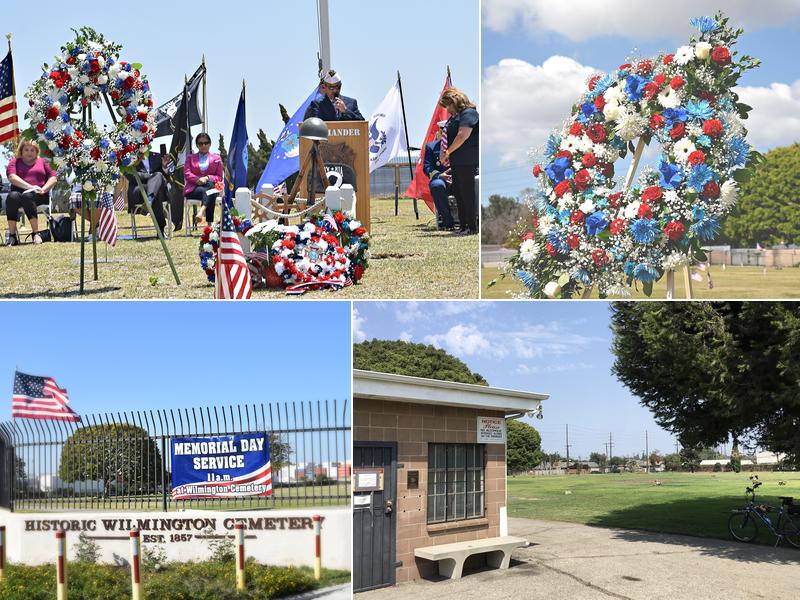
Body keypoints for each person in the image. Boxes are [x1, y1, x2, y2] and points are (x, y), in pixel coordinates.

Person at [439, 88, 479, 235]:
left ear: (455, 101)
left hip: (466, 160)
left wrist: (448, 151)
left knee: (467, 193)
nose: (448, 110)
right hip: (456, 161)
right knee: (459, 193)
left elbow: (462, 135)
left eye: (448, 105)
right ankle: (463, 226)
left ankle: (471, 226)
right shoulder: (455, 116)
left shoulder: (469, 113)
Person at [5, 139, 58, 246]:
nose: (29, 152)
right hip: (18, 194)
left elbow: (53, 178)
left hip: (39, 194)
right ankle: (12, 236)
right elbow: (11, 177)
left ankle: (36, 234)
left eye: (32, 150)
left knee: (28, 196)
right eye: (26, 150)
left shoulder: (44, 161)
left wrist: (43, 189)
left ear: (37, 151)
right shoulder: (14, 161)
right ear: (21, 151)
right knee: (12, 196)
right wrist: (29, 186)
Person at [126, 150, 171, 236]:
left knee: (158, 176)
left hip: (158, 188)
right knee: (155, 188)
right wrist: (151, 176)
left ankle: (149, 201)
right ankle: (160, 230)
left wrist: (164, 167)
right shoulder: (129, 158)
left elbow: (165, 177)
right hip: (140, 188)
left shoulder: (158, 156)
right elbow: (131, 176)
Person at [183, 132, 223, 225]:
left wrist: (207, 177)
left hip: (210, 186)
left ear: (210, 144)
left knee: (210, 187)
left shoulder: (216, 158)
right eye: (200, 143)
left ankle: (201, 211)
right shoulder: (190, 158)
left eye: (206, 143)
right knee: (211, 191)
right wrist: (197, 179)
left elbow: (219, 177)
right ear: (197, 145)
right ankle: (209, 224)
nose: (203, 145)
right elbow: (187, 173)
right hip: (194, 189)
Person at [423, 121, 455, 231]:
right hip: (441, 179)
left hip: (459, 176)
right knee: (436, 186)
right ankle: (448, 222)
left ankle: (470, 221)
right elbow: (427, 167)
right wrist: (440, 175)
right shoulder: (431, 147)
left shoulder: (460, 144)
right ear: (441, 132)